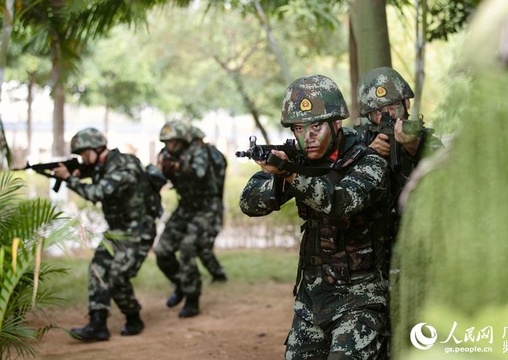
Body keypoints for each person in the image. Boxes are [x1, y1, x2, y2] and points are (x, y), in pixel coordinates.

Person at [240, 75, 394, 359]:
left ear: (336, 123)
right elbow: (249, 203)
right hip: (312, 300)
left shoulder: (369, 162)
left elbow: (340, 202)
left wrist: (289, 173)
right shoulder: (297, 161)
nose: (307, 137)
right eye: (299, 128)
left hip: (359, 299)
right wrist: (279, 178)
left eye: (316, 126)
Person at [53, 128, 157, 341]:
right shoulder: (103, 165)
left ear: (96, 149)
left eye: (83, 153)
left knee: (118, 276)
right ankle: (97, 325)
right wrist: (74, 172)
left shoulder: (123, 166)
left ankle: (133, 316)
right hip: (116, 231)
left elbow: (97, 193)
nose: (82, 158)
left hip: (137, 231)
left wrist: (69, 179)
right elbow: (93, 174)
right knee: (98, 270)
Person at [154, 121, 227, 318]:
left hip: (206, 208)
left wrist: (177, 166)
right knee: (162, 250)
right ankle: (180, 284)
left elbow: (199, 173)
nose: (169, 146)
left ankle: (192, 297)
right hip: (185, 206)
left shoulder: (199, 151)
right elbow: (159, 177)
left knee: (188, 248)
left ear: (182, 140)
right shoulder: (167, 154)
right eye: (166, 142)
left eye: (173, 142)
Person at [355, 66, 444, 209]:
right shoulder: (359, 140)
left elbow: (447, 170)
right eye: (378, 111)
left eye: (393, 105)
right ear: (369, 115)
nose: (388, 114)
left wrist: (414, 146)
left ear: (406, 103)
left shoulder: (423, 137)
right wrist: (369, 154)